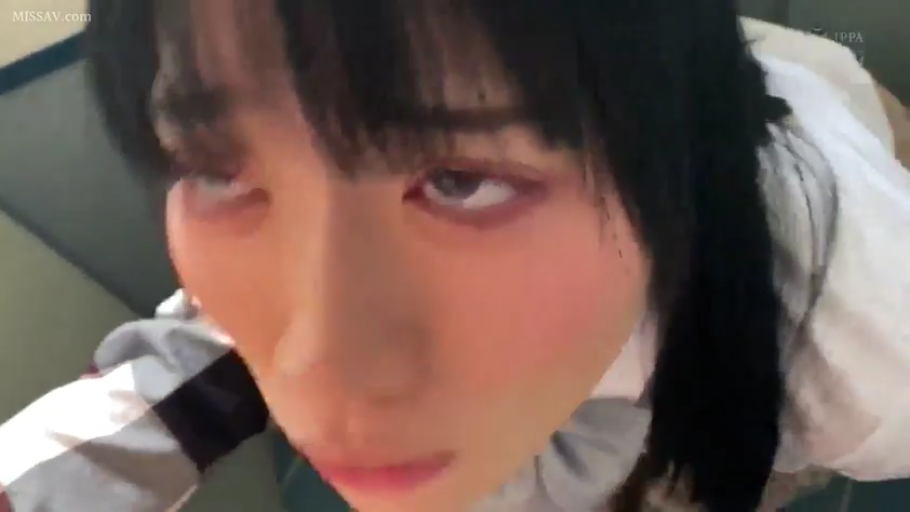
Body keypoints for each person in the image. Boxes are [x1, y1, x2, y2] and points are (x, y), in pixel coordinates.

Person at [1, 1, 909, 512]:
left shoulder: (857, 327)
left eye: (461, 181)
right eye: (216, 168)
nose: (313, 371)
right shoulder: (274, 288)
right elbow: (170, 385)